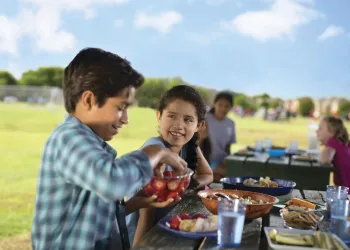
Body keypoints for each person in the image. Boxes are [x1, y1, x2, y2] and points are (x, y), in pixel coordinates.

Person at [31, 48, 187, 250]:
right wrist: (156, 152)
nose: (125, 119)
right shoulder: (69, 138)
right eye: (121, 107)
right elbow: (111, 181)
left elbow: (91, 214)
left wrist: (134, 203)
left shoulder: (92, 145)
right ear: (89, 100)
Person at [129, 85, 213, 246]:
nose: (179, 125)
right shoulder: (155, 153)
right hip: (142, 237)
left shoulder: (188, 145)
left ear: (199, 126)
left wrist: (186, 186)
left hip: (166, 228)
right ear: (159, 116)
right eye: (172, 116)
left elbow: (208, 175)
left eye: (188, 120)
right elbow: (146, 215)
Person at [200, 91, 236, 182]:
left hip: (222, 162)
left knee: (237, 170)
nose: (223, 109)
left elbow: (228, 147)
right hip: (206, 162)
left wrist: (227, 162)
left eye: (226, 106)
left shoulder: (230, 124)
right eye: (220, 105)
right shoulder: (205, 120)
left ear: (230, 108)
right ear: (214, 104)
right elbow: (196, 144)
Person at [316, 116, 350, 189]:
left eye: (320, 128)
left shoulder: (332, 142)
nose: (317, 130)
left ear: (332, 132)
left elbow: (324, 160)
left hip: (346, 194)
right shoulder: (343, 143)